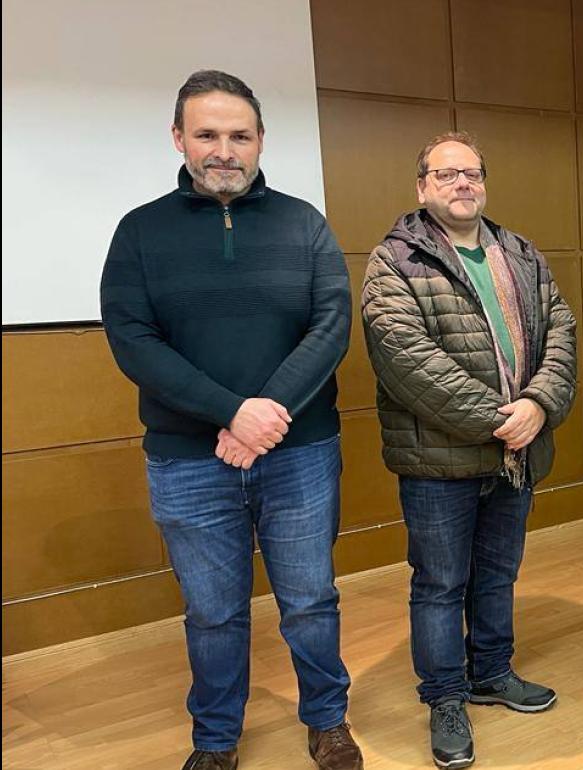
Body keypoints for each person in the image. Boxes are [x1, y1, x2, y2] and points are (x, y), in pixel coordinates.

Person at [99, 70, 361, 770]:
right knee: (213, 613)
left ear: (260, 141)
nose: (224, 149)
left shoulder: (304, 222)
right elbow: (133, 341)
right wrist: (232, 413)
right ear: (178, 137)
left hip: (300, 452)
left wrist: (263, 417)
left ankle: (327, 721)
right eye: (208, 134)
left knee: (310, 599)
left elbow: (332, 326)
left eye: (239, 135)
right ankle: (215, 738)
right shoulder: (139, 232)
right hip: (188, 460)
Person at [360, 131, 577, 770]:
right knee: (438, 584)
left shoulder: (520, 252)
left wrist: (538, 404)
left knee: (498, 574)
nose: (463, 185)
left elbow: (560, 328)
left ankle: (490, 672)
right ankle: (446, 695)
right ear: (422, 186)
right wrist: (498, 420)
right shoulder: (395, 261)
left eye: (472, 173)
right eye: (447, 174)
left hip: (517, 451)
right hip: (439, 460)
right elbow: (405, 359)